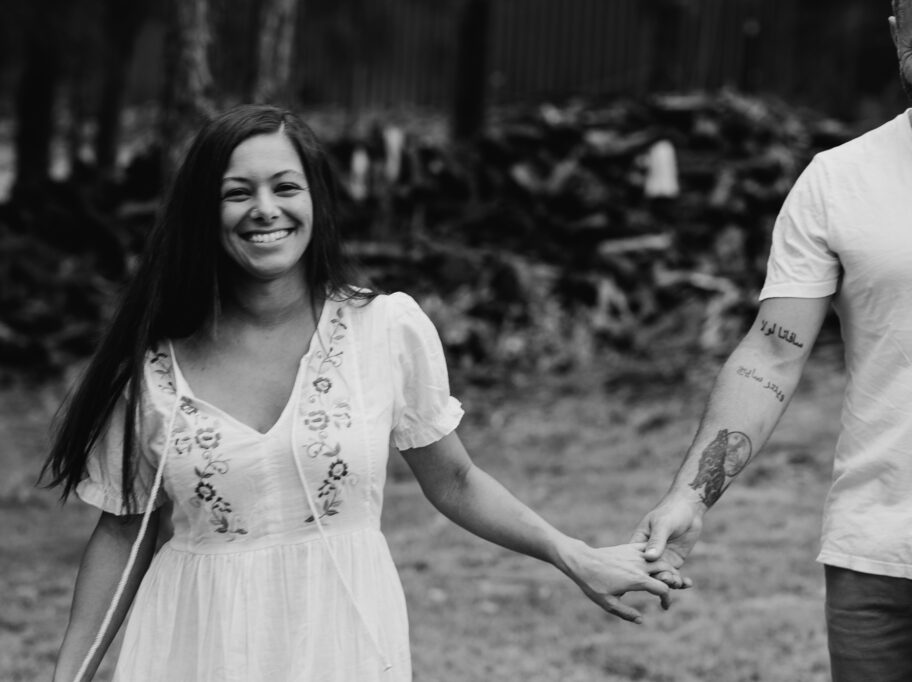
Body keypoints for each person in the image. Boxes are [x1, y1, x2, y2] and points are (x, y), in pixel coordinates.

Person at [43, 104, 685, 682]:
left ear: (316, 200)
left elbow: (455, 480)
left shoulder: (382, 329)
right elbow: (123, 530)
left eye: (285, 187)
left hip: (341, 636)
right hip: (194, 640)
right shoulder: (152, 368)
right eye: (237, 192)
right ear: (203, 213)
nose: (264, 209)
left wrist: (573, 555)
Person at [632, 0, 912, 680]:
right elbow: (772, 355)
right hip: (869, 552)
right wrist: (689, 496)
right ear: (896, 36)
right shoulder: (839, 181)